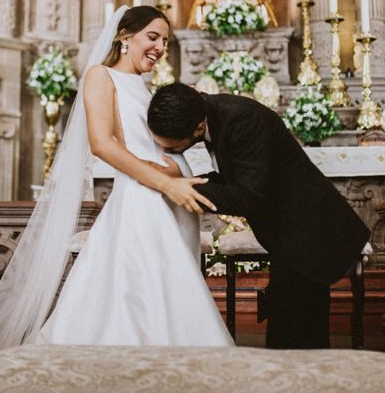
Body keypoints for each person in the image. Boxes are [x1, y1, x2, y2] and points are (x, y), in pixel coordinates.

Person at [0, 6, 233, 349]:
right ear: (124, 37)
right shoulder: (101, 76)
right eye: (153, 37)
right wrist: (164, 183)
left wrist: (178, 170)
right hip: (143, 200)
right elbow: (101, 144)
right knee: (138, 298)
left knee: (170, 290)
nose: (160, 47)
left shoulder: (146, 88)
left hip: (172, 198)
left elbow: (162, 146)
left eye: (165, 41)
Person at [147, 83, 370, 349]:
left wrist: (185, 189)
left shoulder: (242, 120)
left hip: (308, 233)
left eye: (174, 148)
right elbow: (236, 177)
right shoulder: (213, 115)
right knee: (289, 327)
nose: (172, 153)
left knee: (296, 334)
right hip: (290, 234)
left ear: (197, 128)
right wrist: (186, 181)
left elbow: (249, 196)